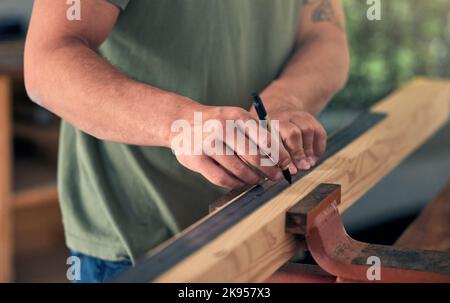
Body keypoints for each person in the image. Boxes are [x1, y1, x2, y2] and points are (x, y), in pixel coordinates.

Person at [24, 0, 349, 282]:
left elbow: (325, 35)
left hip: (266, 227)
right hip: (140, 244)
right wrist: (183, 124)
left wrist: (286, 99)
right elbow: (49, 60)